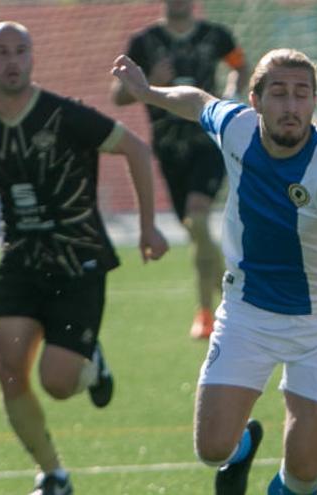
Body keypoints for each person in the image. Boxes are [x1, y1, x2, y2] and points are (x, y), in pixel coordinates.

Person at [111, 47, 317, 494]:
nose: (291, 107)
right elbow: (197, 102)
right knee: (211, 448)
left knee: (303, 475)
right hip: (248, 311)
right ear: (254, 100)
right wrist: (147, 92)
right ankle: (239, 452)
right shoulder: (235, 128)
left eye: (302, 95)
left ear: (314, 102)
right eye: (278, 94)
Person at [0, 22, 169, 495]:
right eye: (2, 53)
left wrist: (150, 226)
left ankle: (92, 363)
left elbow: (134, 147)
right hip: (22, 261)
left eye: (20, 51)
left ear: (32, 58)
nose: (12, 60)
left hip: (79, 260)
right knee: (9, 369)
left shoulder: (64, 115)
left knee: (56, 382)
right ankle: (54, 475)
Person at [111, 0, 249, 338]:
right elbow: (118, 95)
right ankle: (231, 297)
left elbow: (241, 65)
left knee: (198, 217)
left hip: (208, 143)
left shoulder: (215, 36)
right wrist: (148, 84)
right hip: (169, 151)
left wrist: (231, 94)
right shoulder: (144, 42)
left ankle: (207, 313)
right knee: (194, 229)